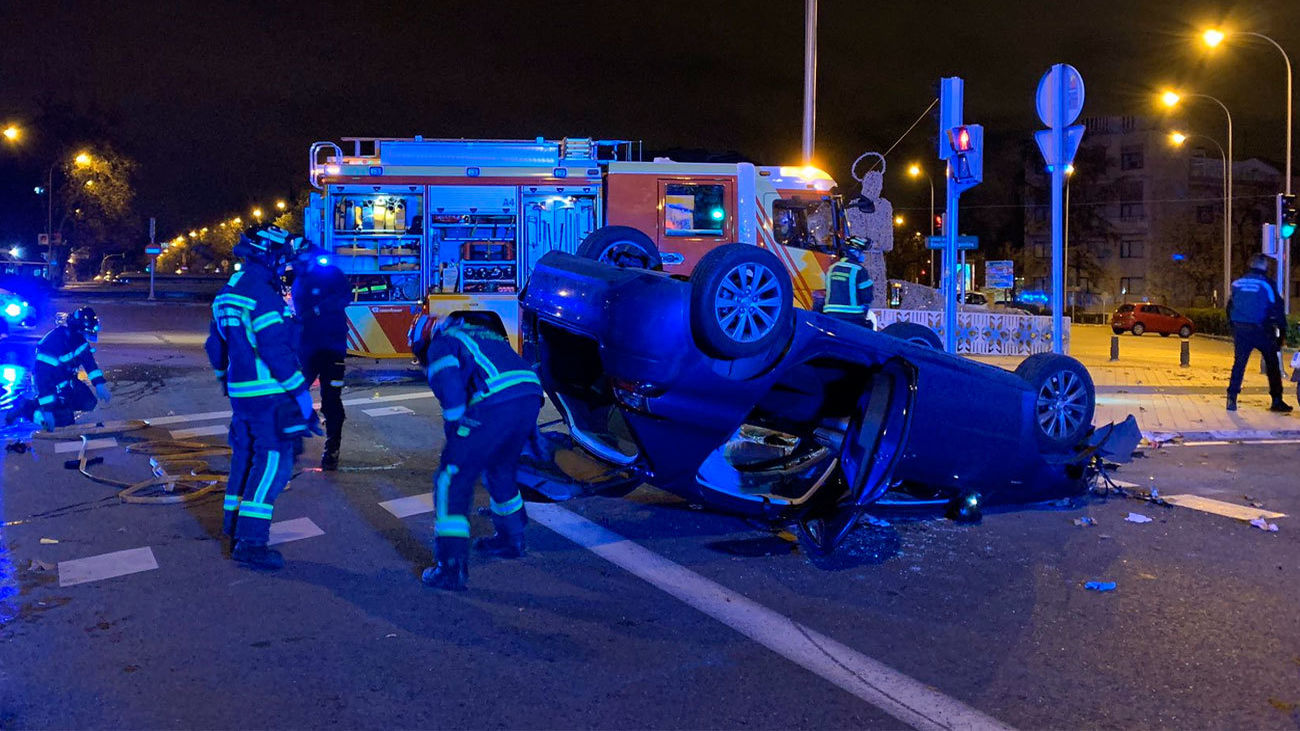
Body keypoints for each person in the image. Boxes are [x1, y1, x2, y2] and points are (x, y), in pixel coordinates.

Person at [205, 225, 316, 570]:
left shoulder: (230, 289)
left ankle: (233, 526)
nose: (284, 265)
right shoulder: (262, 291)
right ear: (269, 254)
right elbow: (274, 349)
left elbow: (215, 346)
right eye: (282, 258)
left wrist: (228, 381)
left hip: (243, 394)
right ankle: (251, 542)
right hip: (269, 392)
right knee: (274, 463)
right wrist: (301, 394)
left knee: (245, 458)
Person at [407, 311, 543, 591]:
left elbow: (453, 400)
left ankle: (450, 567)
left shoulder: (441, 344)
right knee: (500, 469)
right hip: (529, 394)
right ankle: (511, 539)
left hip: (496, 399)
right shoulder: (479, 332)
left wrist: (456, 444)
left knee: (451, 479)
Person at [289, 237, 351, 470]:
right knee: (295, 393)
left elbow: (345, 297)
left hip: (332, 346)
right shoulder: (299, 278)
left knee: (331, 399)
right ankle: (294, 442)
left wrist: (319, 309)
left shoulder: (331, 274)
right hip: (307, 347)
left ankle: (332, 448)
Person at [1226, 253, 1292, 413]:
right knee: (1272, 364)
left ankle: (1232, 398)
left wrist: (1233, 326)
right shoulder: (1267, 284)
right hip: (1261, 329)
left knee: (1239, 364)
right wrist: (1281, 332)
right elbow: (1277, 308)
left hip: (1241, 329)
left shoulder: (1238, 283)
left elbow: (1229, 307)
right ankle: (1276, 400)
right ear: (1264, 266)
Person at [29, 307, 111, 430]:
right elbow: (43, 379)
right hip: (49, 385)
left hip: (66, 382)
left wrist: (99, 384)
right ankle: (35, 409)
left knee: (88, 402)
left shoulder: (78, 340)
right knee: (64, 421)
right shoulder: (53, 342)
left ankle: (63, 408)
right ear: (79, 329)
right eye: (85, 332)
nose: (87, 336)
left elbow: (89, 363)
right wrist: (48, 409)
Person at [823, 247, 874, 327]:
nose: (863, 255)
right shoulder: (859, 269)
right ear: (855, 253)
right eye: (861, 252)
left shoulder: (832, 268)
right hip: (852, 315)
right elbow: (867, 297)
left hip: (831, 313)